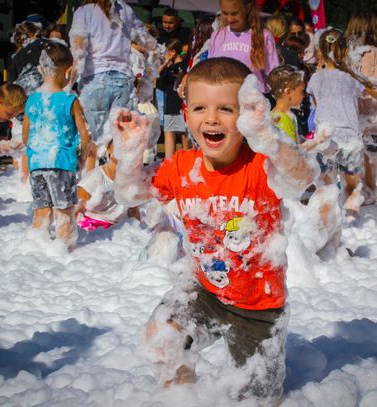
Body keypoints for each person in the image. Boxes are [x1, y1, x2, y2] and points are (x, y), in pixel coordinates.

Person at [111, 57, 315, 401]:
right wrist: (130, 154)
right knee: (160, 339)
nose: (211, 118)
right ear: (186, 113)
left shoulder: (260, 165)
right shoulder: (181, 168)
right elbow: (130, 192)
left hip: (258, 308)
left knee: (255, 399)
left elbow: (301, 178)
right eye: (200, 107)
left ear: (247, 116)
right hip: (205, 293)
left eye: (226, 109)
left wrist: (270, 139)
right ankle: (183, 396)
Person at [69, 0, 158, 169]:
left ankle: (91, 189)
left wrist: (67, 87)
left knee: (93, 142)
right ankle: (119, 186)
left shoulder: (84, 12)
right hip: (123, 81)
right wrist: (147, 81)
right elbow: (152, 46)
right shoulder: (125, 9)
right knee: (120, 140)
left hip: (93, 81)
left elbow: (78, 52)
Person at [22, 42, 91, 250]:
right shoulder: (70, 99)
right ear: (68, 71)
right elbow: (85, 135)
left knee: (41, 210)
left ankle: (36, 247)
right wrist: (81, 158)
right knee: (64, 210)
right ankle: (65, 251)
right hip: (61, 161)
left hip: (36, 163)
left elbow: (26, 136)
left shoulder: (32, 100)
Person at [306, 28, 377, 216]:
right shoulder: (351, 77)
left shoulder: (315, 78)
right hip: (349, 136)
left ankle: (329, 216)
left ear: (320, 51)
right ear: (345, 50)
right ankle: (352, 216)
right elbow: (370, 96)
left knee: (326, 182)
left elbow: (315, 103)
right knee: (352, 183)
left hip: (326, 136)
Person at [345, 10, 377, 205]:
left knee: (349, 157)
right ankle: (371, 195)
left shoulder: (347, 54)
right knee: (371, 158)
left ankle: (351, 197)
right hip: (375, 114)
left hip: (352, 112)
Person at [208, 0, 279, 94]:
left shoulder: (264, 35)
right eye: (225, 13)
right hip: (222, 98)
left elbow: (273, 73)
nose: (229, 19)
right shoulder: (217, 35)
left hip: (253, 100)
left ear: (247, 9)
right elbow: (209, 70)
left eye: (234, 13)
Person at [76, 141, 139, 231]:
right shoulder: (95, 176)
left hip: (118, 229)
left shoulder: (131, 179)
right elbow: (75, 208)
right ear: (108, 150)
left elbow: (134, 212)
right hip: (92, 227)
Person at [159, 39, 188, 158]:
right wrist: (166, 62)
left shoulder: (184, 66)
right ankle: (169, 161)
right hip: (170, 103)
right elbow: (157, 75)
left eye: (166, 52)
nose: (164, 55)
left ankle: (187, 158)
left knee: (184, 133)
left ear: (173, 52)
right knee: (169, 132)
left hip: (182, 103)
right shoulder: (167, 68)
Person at [267, 64, 305, 142]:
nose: (304, 95)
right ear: (288, 92)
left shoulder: (273, 114)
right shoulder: (285, 121)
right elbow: (293, 151)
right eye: (301, 91)